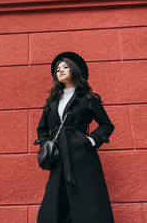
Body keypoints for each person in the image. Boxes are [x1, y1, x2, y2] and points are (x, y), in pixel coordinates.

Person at [34, 51, 115, 223]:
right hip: (58, 159)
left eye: (65, 67)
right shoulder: (51, 101)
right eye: (57, 69)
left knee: (88, 203)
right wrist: (47, 146)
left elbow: (106, 125)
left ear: (74, 70)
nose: (60, 70)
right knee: (53, 206)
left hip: (83, 156)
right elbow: (42, 129)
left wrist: (90, 140)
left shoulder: (88, 98)